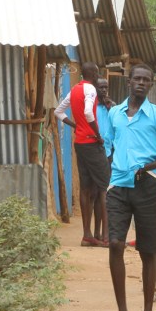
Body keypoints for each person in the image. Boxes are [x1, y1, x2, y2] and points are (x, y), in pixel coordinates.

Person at [103, 63, 156, 311]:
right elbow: (109, 145)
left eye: (147, 80)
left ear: (150, 85)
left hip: (146, 186)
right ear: (128, 81)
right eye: (138, 79)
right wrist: (114, 171)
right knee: (114, 244)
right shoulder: (114, 114)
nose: (142, 83)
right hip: (118, 187)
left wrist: (150, 169)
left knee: (149, 251)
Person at [54, 62, 110, 248]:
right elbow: (88, 112)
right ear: (93, 74)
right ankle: (106, 237)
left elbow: (58, 111)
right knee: (104, 188)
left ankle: (87, 235)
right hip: (92, 144)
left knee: (86, 189)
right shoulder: (91, 90)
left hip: (79, 143)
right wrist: (97, 134)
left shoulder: (75, 89)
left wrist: (75, 126)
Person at [93, 77, 113, 244]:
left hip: (108, 154)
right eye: (101, 87)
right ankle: (99, 232)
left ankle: (104, 233)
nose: (104, 90)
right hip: (95, 153)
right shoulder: (91, 106)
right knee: (99, 194)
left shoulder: (111, 107)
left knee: (103, 193)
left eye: (106, 87)